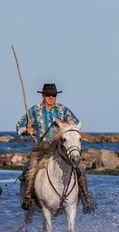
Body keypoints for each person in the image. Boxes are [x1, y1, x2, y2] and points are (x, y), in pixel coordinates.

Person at [16, 83, 96, 213]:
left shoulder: (62, 110)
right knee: (31, 170)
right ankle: (28, 198)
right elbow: (19, 125)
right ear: (43, 95)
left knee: (80, 167)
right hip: (40, 147)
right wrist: (27, 131)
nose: (51, 97)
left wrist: (61, 122)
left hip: (58, 147)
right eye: (48, 95)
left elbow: (75, 125)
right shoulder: (35, 110)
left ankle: (86, 199)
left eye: (53, 95)